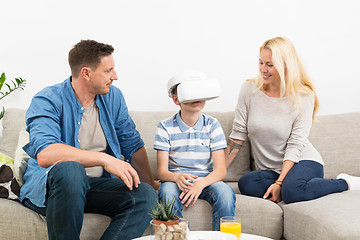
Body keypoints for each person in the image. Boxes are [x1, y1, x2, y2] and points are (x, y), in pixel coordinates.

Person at [20, 40, 158, 240]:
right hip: (54, 189)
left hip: (94, 187)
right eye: (108, 70)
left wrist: (151, 183)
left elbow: (132, 144)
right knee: (71, 169)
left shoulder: (113, 97)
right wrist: (105, 159)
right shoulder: (47, 100)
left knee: (145, 194)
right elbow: (46, 153)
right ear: (86, 73)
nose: (115, 76)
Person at [225, 36, 360, 204]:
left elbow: (295, 144)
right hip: (271, 171)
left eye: (269, 65)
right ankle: (291, 187)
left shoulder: (303, 96)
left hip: (302, 162)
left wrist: (280, 183)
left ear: (285, 66)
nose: (263, 69)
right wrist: (216, 173)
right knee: (247, 183)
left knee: (292, 192)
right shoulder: (249, 90)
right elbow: (237, 135)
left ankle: (345, 183)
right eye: (261, 62)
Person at [154, 70, 236, 230]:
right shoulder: (165, 127)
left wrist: (201, 183)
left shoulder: (213, 125)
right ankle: (177, 234)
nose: (195, 98)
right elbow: (162, 172)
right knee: (167, 192)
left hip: (207, 180)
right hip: (175, 181)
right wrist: (177, 177)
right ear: (176, 99)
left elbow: (220, 170)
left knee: (226, 193)